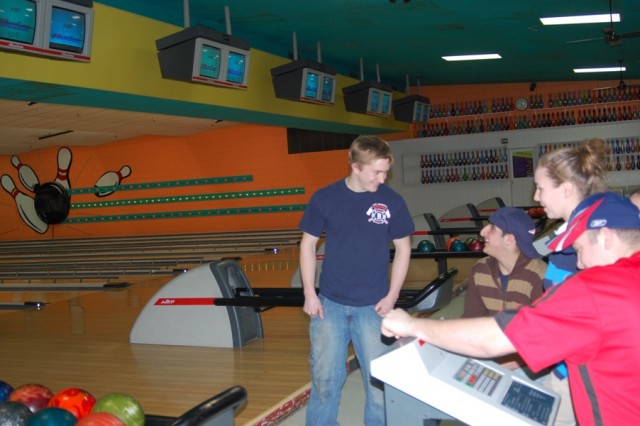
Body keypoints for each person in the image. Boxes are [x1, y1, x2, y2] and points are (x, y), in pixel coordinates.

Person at [381, 192, 640, 426]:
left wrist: (411, 324)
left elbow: (498, 338)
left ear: (605, 237)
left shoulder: (593, 289)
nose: (580, 263)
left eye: (580, 250)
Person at [299, 135, 414, 426]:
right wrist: (310, 295)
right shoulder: (325, 198)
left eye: (386, 171)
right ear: (355, 167)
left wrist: (392, 296)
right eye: (377, 172)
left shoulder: (391, 201)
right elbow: (307, 244)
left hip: (374, 307)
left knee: (379, 387)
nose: (383, 178)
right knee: (325, 382)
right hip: (330, 305)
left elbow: (403, 248)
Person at [532, 137, 608, 424]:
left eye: (540, 188)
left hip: (578, 369)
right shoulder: (570, 234)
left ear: (565, 189)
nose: (536, 197)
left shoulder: (585, 242)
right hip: (566, 363)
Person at [462, 206, 546, 319]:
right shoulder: (480, 270)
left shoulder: (539, 276)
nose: (482, 233)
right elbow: (471, 320)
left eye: (492, 228)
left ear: (509, 239)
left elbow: (544, 328)